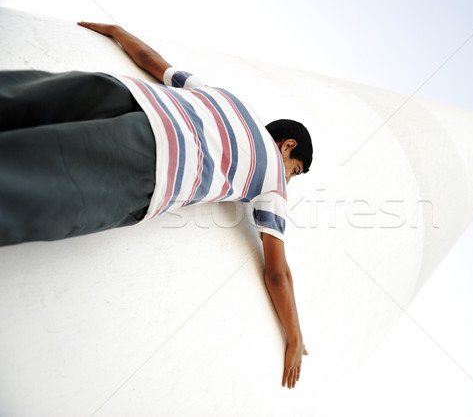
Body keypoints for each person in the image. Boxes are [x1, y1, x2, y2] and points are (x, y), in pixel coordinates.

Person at [0, 21, 310, 389]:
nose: (288, 179)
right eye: (296, 171)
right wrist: (294, 336)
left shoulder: (228, 97)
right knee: (23, 188)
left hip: (125, 95)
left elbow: (151, 59)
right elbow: (278, 273)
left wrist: (115, 29)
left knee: (16, 101)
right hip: (150, 160)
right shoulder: (273, 181)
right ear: (288, 147)